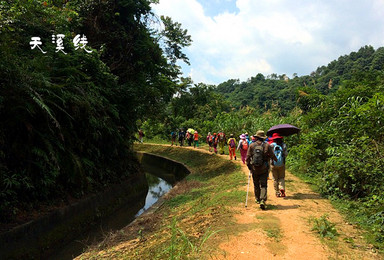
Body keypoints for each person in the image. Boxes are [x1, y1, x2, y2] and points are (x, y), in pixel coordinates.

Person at [246, 130, 277, 210]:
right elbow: (273, 155)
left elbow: (248, 157)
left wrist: (249, 166)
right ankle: (263, 199)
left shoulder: (252, 145)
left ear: (256, 137)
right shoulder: (267, 145)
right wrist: (275, 160)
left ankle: (257, 199)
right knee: (263, 185)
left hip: (254, 168)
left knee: (256, 184)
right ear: (263, 138)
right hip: (264, 168)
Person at [270, 133, 288, 197]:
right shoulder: (283, 145)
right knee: (281, 177)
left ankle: (277, 192)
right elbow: (286, 154)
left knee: (275, 178)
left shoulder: (271, 145)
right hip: (282, 164)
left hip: (273, 164)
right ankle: (282, 188)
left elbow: (269, 154)